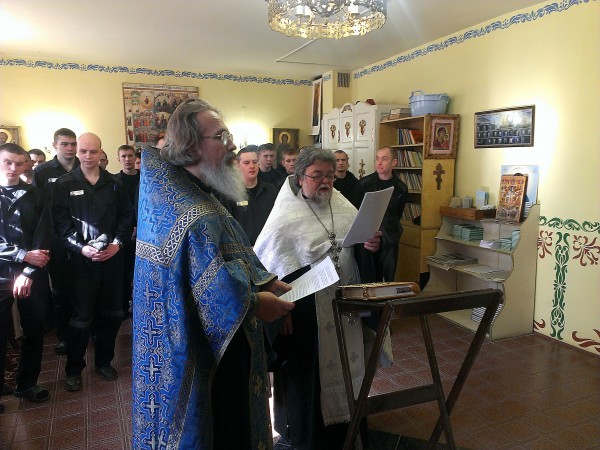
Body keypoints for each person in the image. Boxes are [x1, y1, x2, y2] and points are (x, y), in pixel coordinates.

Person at [132, 98, 294, 449]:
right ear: (191, 147)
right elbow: (210, 285)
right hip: (206, 351)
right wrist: (255, 303)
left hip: (214, 342)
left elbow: (228, 249)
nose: (232, 145)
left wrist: (263, 279)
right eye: (221, 136)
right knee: (222, 428)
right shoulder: (189, 208)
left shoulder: (194, 191)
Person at [254, 146, 382, 450]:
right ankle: (311, 438)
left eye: (330, 175)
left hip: (345, 305)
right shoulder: (285, 214)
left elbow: (358, 246)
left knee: (350, 365)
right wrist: (282, 310)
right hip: (306, 310)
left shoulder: (342, 204)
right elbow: (268, 263)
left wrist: (371, 245)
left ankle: (348, 430)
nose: (325, 182)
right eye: (317, 175)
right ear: (300, 177)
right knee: (308, 378)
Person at [52, 132, 133, 392]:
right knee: (81, 319)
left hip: (112, 260)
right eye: (83, 151)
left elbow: (126, 218)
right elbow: (61, 225)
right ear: (78, 152)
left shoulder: (115, 183)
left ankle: (104, 362)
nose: (88, 156)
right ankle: (74, 369)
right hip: (80, 263)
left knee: (112, 315)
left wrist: (117, 244)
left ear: (101, 153)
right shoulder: (64, 184)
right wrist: (82, 248)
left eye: (93, 151)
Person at [0, 143, 52, 409]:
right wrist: (22, 255)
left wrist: (29, 271)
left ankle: (27, 384)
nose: (13, 168)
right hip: (1, 273)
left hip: (32, 274)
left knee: (34, 329)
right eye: (7, 162)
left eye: (19, 163)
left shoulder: (36, 195)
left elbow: (44, 235)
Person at [33, 128, 80, 355]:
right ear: (55, 145)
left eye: (73, 144)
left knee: (85, 288)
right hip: (56, 240)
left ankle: (86, 330)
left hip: (82, 239)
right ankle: (64, 336)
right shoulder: (42, 172)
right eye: (64, 144)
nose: (70, 148)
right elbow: (37, 208)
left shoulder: (84, 165)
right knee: (61, 291)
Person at [360, 146, 408, 282]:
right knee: (369, 277)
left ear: (394, 162)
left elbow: (398, 213)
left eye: (384, 159)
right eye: (377, 159)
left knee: (388, 278)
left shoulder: (401, 188)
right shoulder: (364, 184)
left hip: (390, 239)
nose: (379, 163)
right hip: (368, 239)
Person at [216, 145, 278, 245]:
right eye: (246, 163)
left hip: (268, 247)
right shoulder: (229, 194)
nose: (252, 166)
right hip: (242, 249)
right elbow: (225, 228)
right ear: (237, 165)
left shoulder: (271, 191)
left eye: (255, 162)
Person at [114, 144, 139, 315]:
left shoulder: (145, 179)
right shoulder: (114, 181)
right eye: (123, 156)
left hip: (143, 233)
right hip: (123, 233)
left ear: (135, 158)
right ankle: (123, 307)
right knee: (122, 271)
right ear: (119, 159)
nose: (127, 159)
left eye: (130, 156)